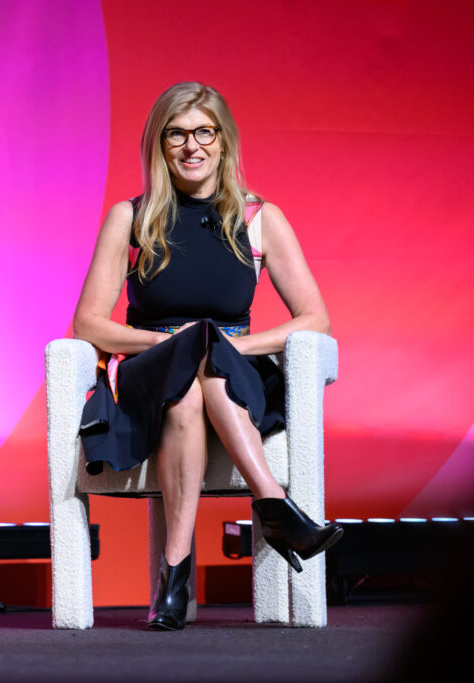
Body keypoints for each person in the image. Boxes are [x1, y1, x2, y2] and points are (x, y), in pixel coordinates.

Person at [72, 82, 341, 630]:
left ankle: (173, 575)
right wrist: (172, 343)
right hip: (150, 371)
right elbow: (89, 324)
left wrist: (230, 345)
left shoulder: (261, 217)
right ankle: (276, 508)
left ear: (223, 142)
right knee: (188, 375)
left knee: (200, 383)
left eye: (203, 132)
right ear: (159, 144)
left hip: (231, 372)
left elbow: (315, 319)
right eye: (176, 134)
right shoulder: (131, 217)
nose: (191, 145)